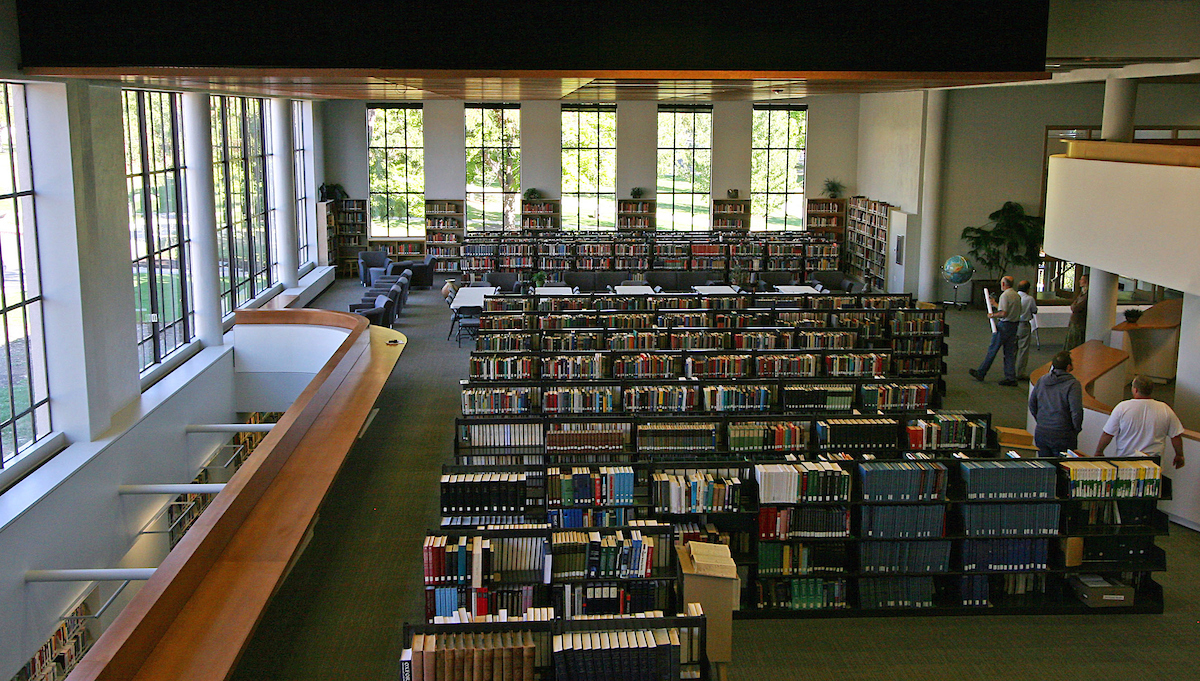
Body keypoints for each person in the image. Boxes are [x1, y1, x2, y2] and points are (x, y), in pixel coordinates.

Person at [1094, 375, 1186, 469]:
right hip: (1153, 463)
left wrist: (1099, 451)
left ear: (1135, 390)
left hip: (1125, 461)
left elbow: (1108, 434)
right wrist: (1179, 455)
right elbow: (1176, 436)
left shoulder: (1122, 407)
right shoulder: (1165, 409)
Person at [1028, 351, 1083, 457]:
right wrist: (1075, 430)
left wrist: (1041, 421)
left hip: (1042, 431)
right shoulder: (1073, 384)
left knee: (1046, 468)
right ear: (1068, 366)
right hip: (1063, 433)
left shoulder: (1042, 380)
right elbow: (1076, 411)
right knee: (1063, 468)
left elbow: (1032, 404)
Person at [969, 275, 1020, 386]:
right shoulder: (1016, 295)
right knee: (1009, 352)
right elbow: (1008, 309)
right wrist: (995, 305)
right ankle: (1011, 377)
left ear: (1003, 284)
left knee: (993, 350)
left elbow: (1003, 313)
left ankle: (981, 372)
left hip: (1004, 326)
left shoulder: (1005, 296)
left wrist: (992, 315)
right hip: (1014, 325)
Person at [1015, 280, 1037, 380]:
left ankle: (1010, 371)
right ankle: (1020, 372)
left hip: (1013, 324)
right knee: (1023, 349)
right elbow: (1034, 310)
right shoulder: (1029, 299)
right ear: (1028, 289)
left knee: (1012, 349)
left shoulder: (1014, 296)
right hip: (1024, 324)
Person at [1064, 273, 1088, 351]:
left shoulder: (1086, 295)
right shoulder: (1082, 293)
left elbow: (1077, 307)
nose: (1079, 281)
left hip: (1079, 322)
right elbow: (1074, 305)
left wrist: (1074, 306)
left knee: (1076, 342)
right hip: (1075, 321)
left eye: (1082, 280)